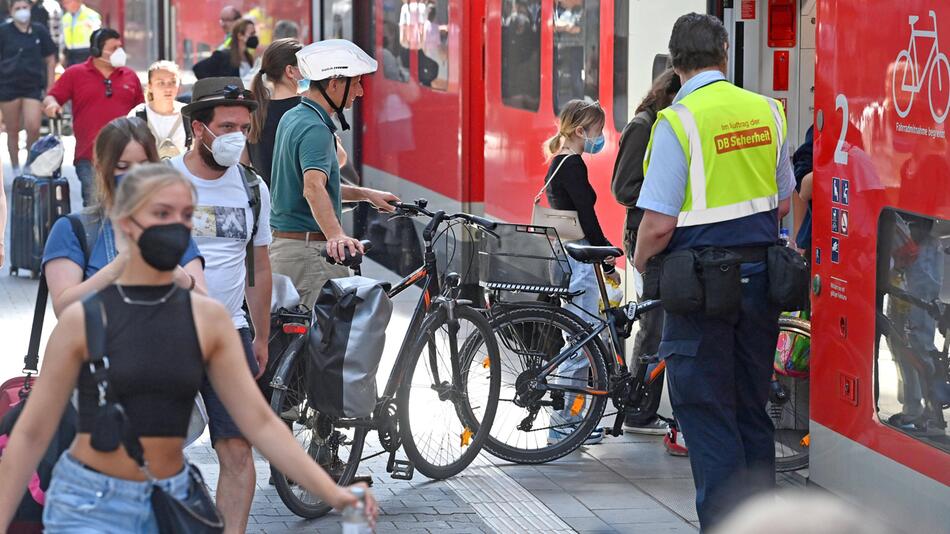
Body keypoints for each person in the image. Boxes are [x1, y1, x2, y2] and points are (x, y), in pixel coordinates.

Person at [0, 163, 376, 533]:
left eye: (185, 215)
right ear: (126, 223)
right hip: (90, 506)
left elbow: (259, 423)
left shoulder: (208, 320)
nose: (176, 226)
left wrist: (334, 493)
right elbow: (32, 435)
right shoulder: (83, 319)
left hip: (174, 499)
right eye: (161, 212)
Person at [633, 13, 795, 530]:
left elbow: (657, 225)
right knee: (751, 411)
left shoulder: (675, 122)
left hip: (700, 294)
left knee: (707, 414)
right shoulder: (769, 111)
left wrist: (639, 265)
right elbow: (784, 203)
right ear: (725, 52)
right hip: (762, 285)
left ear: (675, 62)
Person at [171, 77, 274, 534]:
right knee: (157, 448)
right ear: (198, 128)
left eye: (243, 127)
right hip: (165, 332)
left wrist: (262, 335)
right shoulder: (163, 181)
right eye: (226, 125)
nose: (237, 135)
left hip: (230, 333)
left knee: (237, 450)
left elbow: (260, 266)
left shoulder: (253, 189)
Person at [270, 39, 399, 306]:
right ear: (334, 83)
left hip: (289, 250)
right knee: (324, 345)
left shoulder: (294, 117)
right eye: (356, 83)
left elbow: (306, 188)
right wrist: (337, 236)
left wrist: (365, 194)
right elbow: (313, 188)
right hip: (311, 257)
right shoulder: (316, 129)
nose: (360, 92)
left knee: (290, 344)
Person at [42, 116, 205, 316]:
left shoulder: (174, 227)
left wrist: (178, 275)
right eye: (123, 166)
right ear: (101, 169)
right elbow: (64, 310)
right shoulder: (73, 230)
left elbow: (207, 309)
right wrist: (121, 265)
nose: (136, 176)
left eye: (144, 166)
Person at [540, 98, 617, 445]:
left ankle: (571, 419)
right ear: (580, 130)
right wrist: (605, 251)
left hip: (569, 256)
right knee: (581, 340)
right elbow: (586, 215)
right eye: (598, 131)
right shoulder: (573, 165)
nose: (600, 138)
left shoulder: (558, 162)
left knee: (578, 337)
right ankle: (565, 423)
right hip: (581, 260)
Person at [611, 68, 681, 437]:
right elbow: (623, 187)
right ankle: (638, 408)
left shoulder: (661, 123)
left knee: (660, 321)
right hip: (643, 233)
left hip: (656, 231)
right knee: (653, 324)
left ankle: (643, 404)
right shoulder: (643, 126)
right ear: (669, 95)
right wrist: (666, 196)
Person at [44, 27, 144, 206]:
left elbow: (142, 113)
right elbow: (52, 96)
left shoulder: (131, 76)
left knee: (128, 208)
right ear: (97, 50)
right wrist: (52, 105)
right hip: (90, 158)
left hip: (127, 158)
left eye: (120, 47)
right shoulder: (75, 73)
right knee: (95, 210)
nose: (119, 52)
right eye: (113, 48)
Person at [0, 0, 57, 171]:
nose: (22, 11)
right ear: (11, 11)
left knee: (33, 127)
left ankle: (29, 164)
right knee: (12, 129)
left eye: (25, 7)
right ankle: (15, 166)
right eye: (17, 8)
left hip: (33, 86)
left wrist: (50, 86)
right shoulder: (4, 31)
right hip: (8, 86)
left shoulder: (39, 30)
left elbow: (50, 59)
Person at [247, 38, 303, 187]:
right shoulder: (305, 110)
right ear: (290, 71)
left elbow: (243, 164)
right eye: (305, 66)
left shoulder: (254, 111)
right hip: (298, 207)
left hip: (267, 206)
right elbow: (338, 158)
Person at [128, 60, 189, 159]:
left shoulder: (188, 113)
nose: (168, 88)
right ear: (150, 86)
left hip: (180, 174)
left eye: (173, 82)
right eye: (161, 83)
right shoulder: (137, 114)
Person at [60, 0, 99, 66]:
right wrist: (62, 53)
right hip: (70, 54)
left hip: (86, 52)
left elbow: (97, 34)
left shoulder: (91, 15)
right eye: (64, 3)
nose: (64, 5)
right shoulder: (65, 18)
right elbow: (62, 37)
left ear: (77, 1)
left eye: (67, 2)